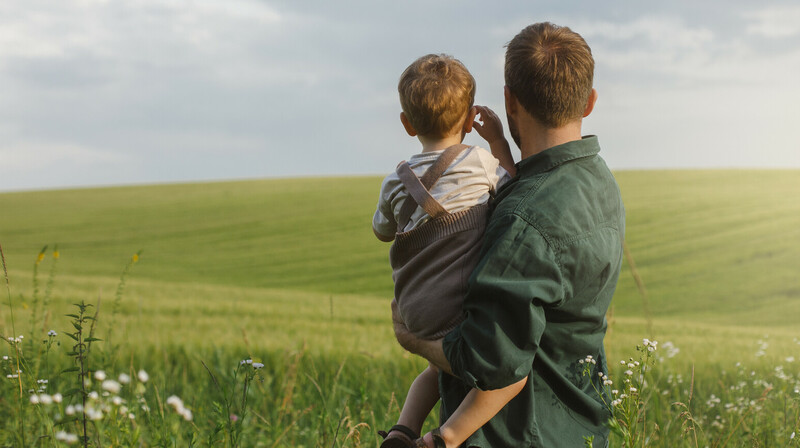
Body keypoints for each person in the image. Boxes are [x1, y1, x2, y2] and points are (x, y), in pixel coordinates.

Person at [391, 22, 625, 447]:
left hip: (512, 434)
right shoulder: (598, 181)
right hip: (579, 427)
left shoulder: (523, 219)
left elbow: (488, 361)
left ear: (508, 100)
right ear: (589, 102)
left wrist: (414, 340)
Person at [372, 53, 524, 448]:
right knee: (512, 373)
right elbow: (513, 188)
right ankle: (444, 438)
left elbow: (382, 232)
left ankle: (402, 431)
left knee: (436, 371)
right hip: (457, 306)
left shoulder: (395, 181)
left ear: (407, 124)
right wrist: (497, 141)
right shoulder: (480, 162)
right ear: (470, 116)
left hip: (414, 310)